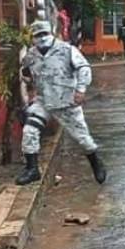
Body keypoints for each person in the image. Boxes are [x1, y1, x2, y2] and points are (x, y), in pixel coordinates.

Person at [18, 20, 107, 186]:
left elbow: (84, 68)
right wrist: (27, 78)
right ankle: (32, 169)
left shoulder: (67, 50)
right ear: (33, 38)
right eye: (38, 35)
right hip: (43, 101)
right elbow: (27, 73)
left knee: (82, 138)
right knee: (29, 131)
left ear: (51, 33)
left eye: (44, 34)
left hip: (66, 102)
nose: (42, 38)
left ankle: (96, 164)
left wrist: (80, 89)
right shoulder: (31, 55)